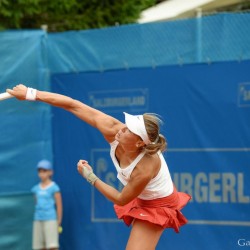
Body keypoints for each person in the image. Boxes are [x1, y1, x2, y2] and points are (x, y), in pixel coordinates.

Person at [7, 84, 191, 250]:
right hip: (143, 195)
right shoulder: (114, 129)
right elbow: (72, 104)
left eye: (129, 130)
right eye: (126, 125)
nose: (122, 129)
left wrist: (90, 177)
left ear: (139, 144)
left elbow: (121, 199)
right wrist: (31, 93)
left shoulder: (145, 168)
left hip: (158, 205)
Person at [31, 159, 63, 250]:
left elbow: (59, 206)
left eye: (44, 171)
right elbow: (36, 203)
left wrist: (58, 222)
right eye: (40, 171)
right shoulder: (35, 189)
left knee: (52, 246)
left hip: (50, 220)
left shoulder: (54, 188)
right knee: (39, 247)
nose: (42, 174)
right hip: (38, 219)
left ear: (50, 172)